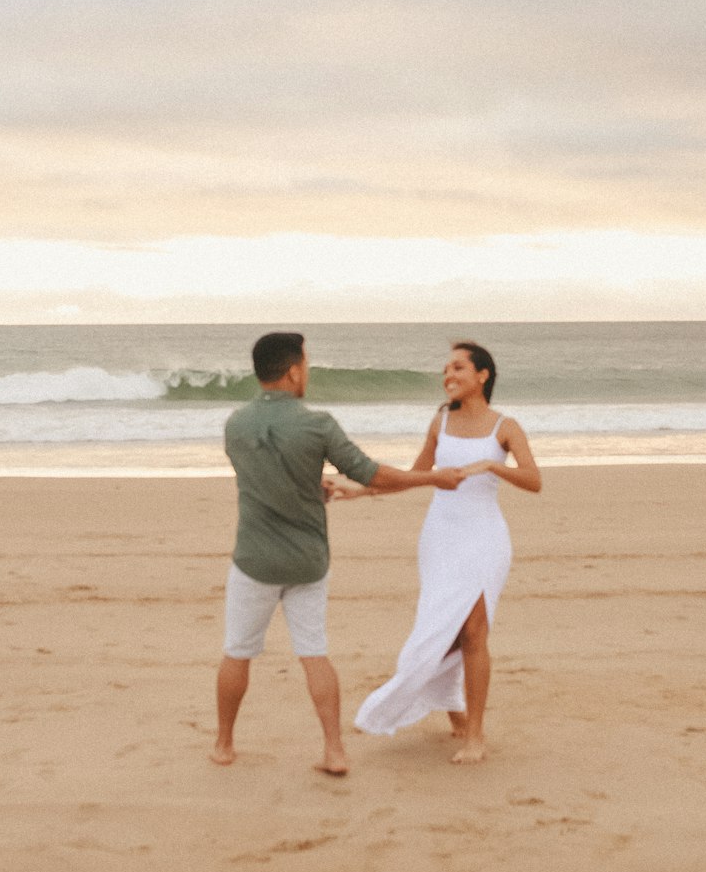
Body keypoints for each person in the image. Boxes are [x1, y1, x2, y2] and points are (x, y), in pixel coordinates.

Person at [211, 331, 463, 776]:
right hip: (308, 561)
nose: (306, 371)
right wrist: (431, 478)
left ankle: (224, 745)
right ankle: (334, 750)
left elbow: (262, 481)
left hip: (255, 559)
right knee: (314, 652)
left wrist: (308, 486)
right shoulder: (318, 424)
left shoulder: (235, 424)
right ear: (293, 370)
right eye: (305, 364)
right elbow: (372, 474)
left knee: (238, 652)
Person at [337, 340, 541, 763]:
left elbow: (533, 479)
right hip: (440, 536)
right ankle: (455, 716)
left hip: (484, 537)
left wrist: (491, 465)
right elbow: (412, 476)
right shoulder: (440, 422)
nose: (449, 375)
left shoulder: (505, 426)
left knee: (473, 632)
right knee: (442, 629)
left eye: (458, 368)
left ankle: (475, 736)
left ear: (483, 375)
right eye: (446, 369)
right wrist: (358, 491)